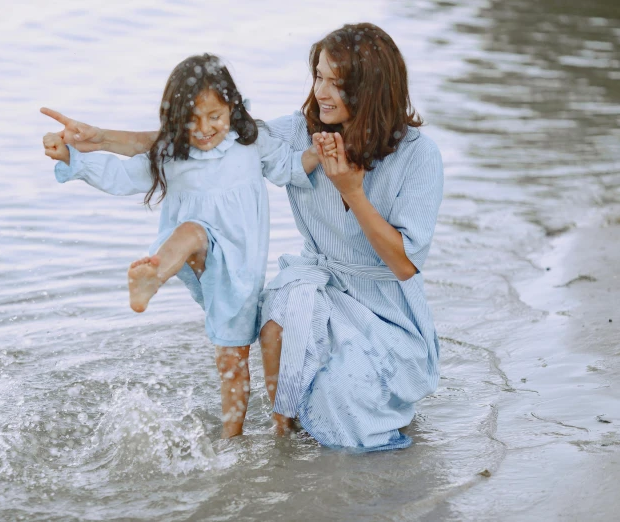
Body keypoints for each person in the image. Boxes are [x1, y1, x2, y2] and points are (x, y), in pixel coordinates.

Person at [43, 23, 444, 451]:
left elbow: (403, 265)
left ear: (372, 90)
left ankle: (350, 415)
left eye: (337, 83)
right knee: (274, 328)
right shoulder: (297, 131)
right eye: (319, 76)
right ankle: (282, 440)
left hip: (384, 304)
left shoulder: (418, 155)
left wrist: (352, 192)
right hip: (315, 280)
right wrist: (99, 140)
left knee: (345, 402)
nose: (322, 92)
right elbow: (204, 138)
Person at [41, 54, 321, 439]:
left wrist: (319, 153)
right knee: (192, 231)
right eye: (191, 120)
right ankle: (151, 279)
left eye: (214, 117)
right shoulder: (173, 153)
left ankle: (237, 439)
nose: (204, 130)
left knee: (233, 359)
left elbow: (288, 167)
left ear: (232, 108)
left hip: (240, 272)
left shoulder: (251, 140)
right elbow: (125, 176)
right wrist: (74, 159)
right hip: (186, 255)